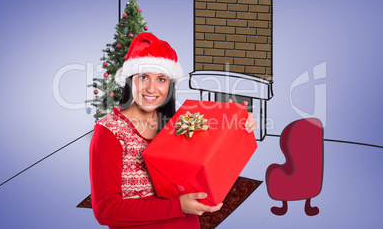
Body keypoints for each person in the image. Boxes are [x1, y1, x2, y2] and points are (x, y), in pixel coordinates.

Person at [89, 32, 257, 229]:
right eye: (144, 77)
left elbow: (208, 169)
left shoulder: (177, 124)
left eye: (161, 79)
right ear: (130, 79)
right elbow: (106, 210)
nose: (152, 89)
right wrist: (177, 206)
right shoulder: (110, 130)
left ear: (170, 85)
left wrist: (233, 126)